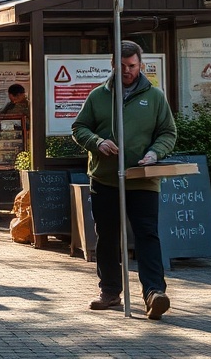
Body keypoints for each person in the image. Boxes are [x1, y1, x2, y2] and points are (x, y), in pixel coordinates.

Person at [71, 41, 177, 320]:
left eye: (133, 65)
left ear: (140, 65)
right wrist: (96, 142)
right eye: (123, 66)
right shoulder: (97, 96)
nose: (128, 71)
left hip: (142, 179)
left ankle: (154, 293)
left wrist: (155, 152)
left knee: (147, 235)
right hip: (105, 179)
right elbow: (79, 128)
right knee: (107, 236)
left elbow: (168, 132)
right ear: (113, 65)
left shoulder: (155, 97)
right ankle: (109, 291)